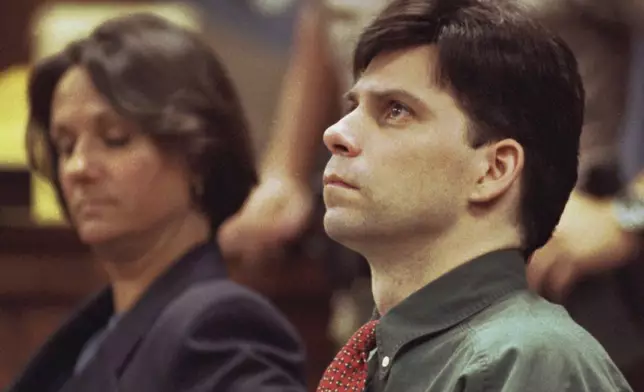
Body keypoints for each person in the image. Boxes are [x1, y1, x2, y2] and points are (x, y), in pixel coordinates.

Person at [314, 0, 633, 391]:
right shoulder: (379, 356)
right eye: (353, 106)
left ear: (493, 169)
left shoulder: (527, 361)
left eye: (396, 110)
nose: (336, 133)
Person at [6, 14, 307, 392]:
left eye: (115, 138)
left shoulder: (221, 326)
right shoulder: (96, 328)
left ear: (198, 155)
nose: (77, 168)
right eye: (65, 146)